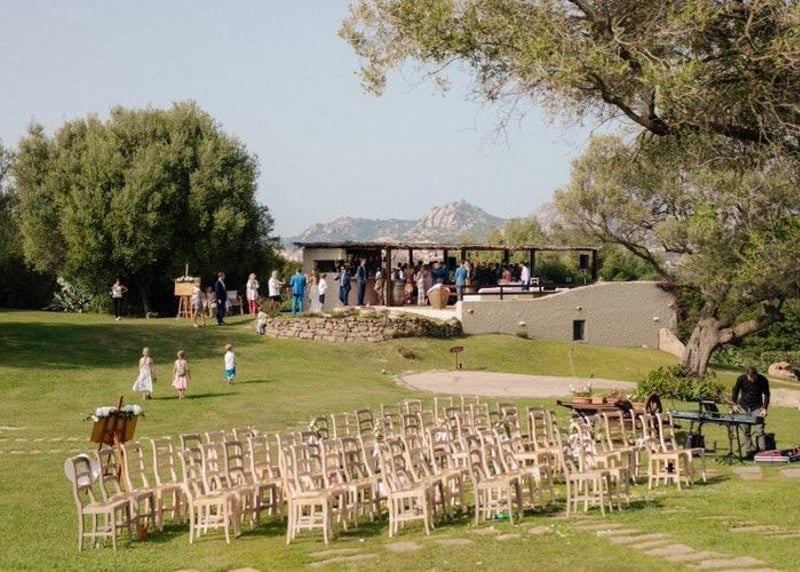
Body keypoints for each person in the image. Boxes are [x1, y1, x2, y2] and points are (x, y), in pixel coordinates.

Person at [732, 366, 771, 457]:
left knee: (759, 430)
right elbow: (735, 391)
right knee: (746, 431)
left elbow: (767, 394)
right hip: (743, 406)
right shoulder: (741, 379)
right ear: (747, 375)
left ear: (756, 374)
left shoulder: (763, 380)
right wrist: (734, 404)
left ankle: (762, 452)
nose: (752, 379)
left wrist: (765, 408)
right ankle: (749, 451)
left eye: (754, 377)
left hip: (757, 407)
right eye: (750, 377)